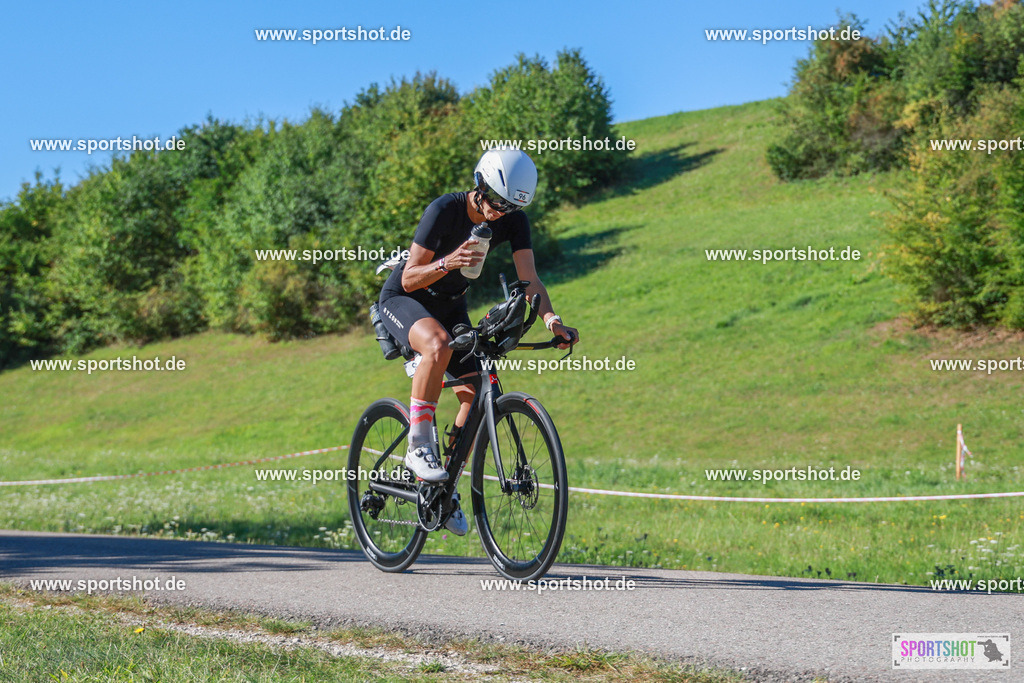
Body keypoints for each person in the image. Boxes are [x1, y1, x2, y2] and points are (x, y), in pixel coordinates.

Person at [378, 148, 579, 534]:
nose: (499, 213)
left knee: (476, 387)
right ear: (480, 185)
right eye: (496, 202)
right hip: (405, 298)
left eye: (510, 207)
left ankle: (444, 486)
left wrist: (552, 320)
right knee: (436, 345)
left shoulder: (513, 220)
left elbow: (529, 280)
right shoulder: (444, 209)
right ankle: (418, 445)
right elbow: (409, 277)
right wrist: (448, 262)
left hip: (452, 306)